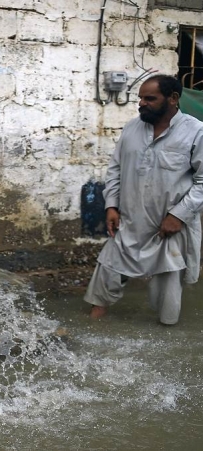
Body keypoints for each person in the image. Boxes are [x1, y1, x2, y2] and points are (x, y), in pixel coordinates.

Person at [84, 74, 203, 325]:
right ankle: (92, 325)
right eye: (140, 98)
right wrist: (112, 205)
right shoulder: (132, 127)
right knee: (107, 267)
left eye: (150, 98)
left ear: (173, 99)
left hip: (169, 226)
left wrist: (177, 216)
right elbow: (115, 169)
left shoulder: (196, 132)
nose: (141, 103)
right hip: (129, 218)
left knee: (167, 289)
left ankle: (165, 336)